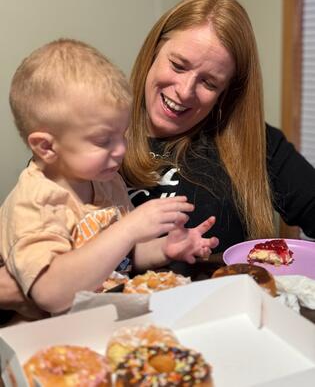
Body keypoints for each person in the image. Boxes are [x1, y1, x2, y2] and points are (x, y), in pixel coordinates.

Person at [0, 38, 218, 318]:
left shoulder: (105, 179)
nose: (121, 150)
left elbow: (123, 257)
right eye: (104, 140)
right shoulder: (35, 203)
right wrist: (128, 229)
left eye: (122, 134)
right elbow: (51, 294)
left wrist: (165, 248)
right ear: (47, 147)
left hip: (110, 318)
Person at [121, 0, 315, 278]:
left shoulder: (256, 146)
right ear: (154, 51)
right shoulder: (92, 133)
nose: (185, 92)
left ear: (225, 94)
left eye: (209, 83)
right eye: (178, 65)